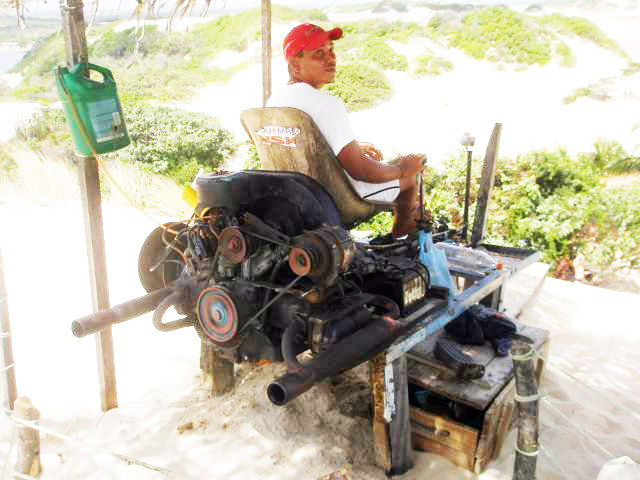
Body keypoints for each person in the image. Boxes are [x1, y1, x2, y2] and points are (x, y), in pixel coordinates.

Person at [266, 23, 427, 241]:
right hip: (335, 200)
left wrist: (352, 147)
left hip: (293, 196)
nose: (331, 59)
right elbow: (361, 170)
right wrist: (402, 169)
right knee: (411, 176)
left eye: (331, 50)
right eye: (318, 54)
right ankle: (399, 241)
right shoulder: (327, 104)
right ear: (295, 65)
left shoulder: (274, 100)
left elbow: (301, 147)